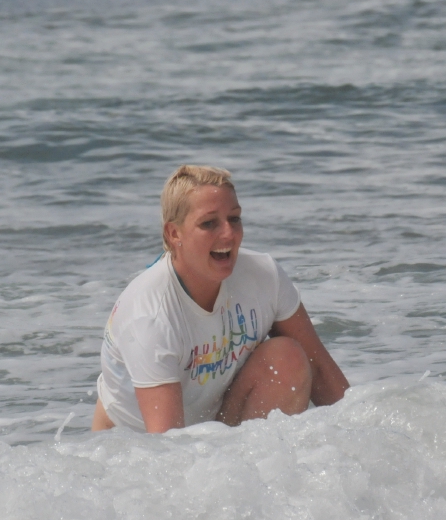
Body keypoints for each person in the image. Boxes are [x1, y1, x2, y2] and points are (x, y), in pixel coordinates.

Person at [92, 165, 349, 433]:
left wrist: (365, 449)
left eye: (234, 218)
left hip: (213, 421)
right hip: (131, 447)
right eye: (209, 223)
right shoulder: (150, 314)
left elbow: (320, 372)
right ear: (174, 233)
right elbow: (167, 448)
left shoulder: (264, 276)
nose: (228, 234)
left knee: (287, 359)